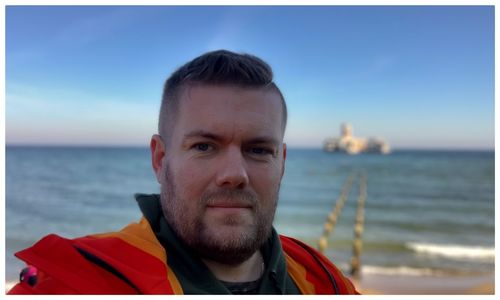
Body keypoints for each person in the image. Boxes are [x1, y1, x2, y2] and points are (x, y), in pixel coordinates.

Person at [8, 50, 359, 295]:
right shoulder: (77, 284)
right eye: (204, 147)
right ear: (160, 159)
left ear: (281, 162)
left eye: (258, 150)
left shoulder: (324, 280)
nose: (235, 174)